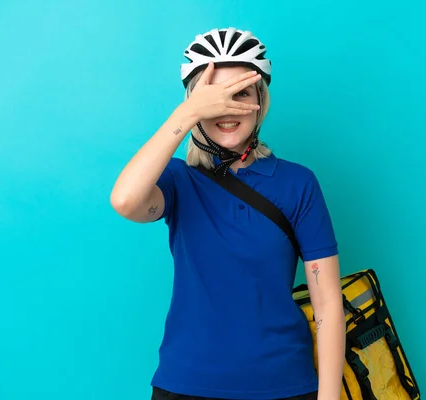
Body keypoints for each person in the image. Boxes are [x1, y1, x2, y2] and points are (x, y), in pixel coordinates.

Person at [110, 27, 346, 400]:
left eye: (241, 94)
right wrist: (187, 113)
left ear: (260, 101)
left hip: (285, 384)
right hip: (185, 384)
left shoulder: (298, 183)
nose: (227, 110)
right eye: (214, 98)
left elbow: (328, 303)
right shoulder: (176, 181)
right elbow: (125, 201)